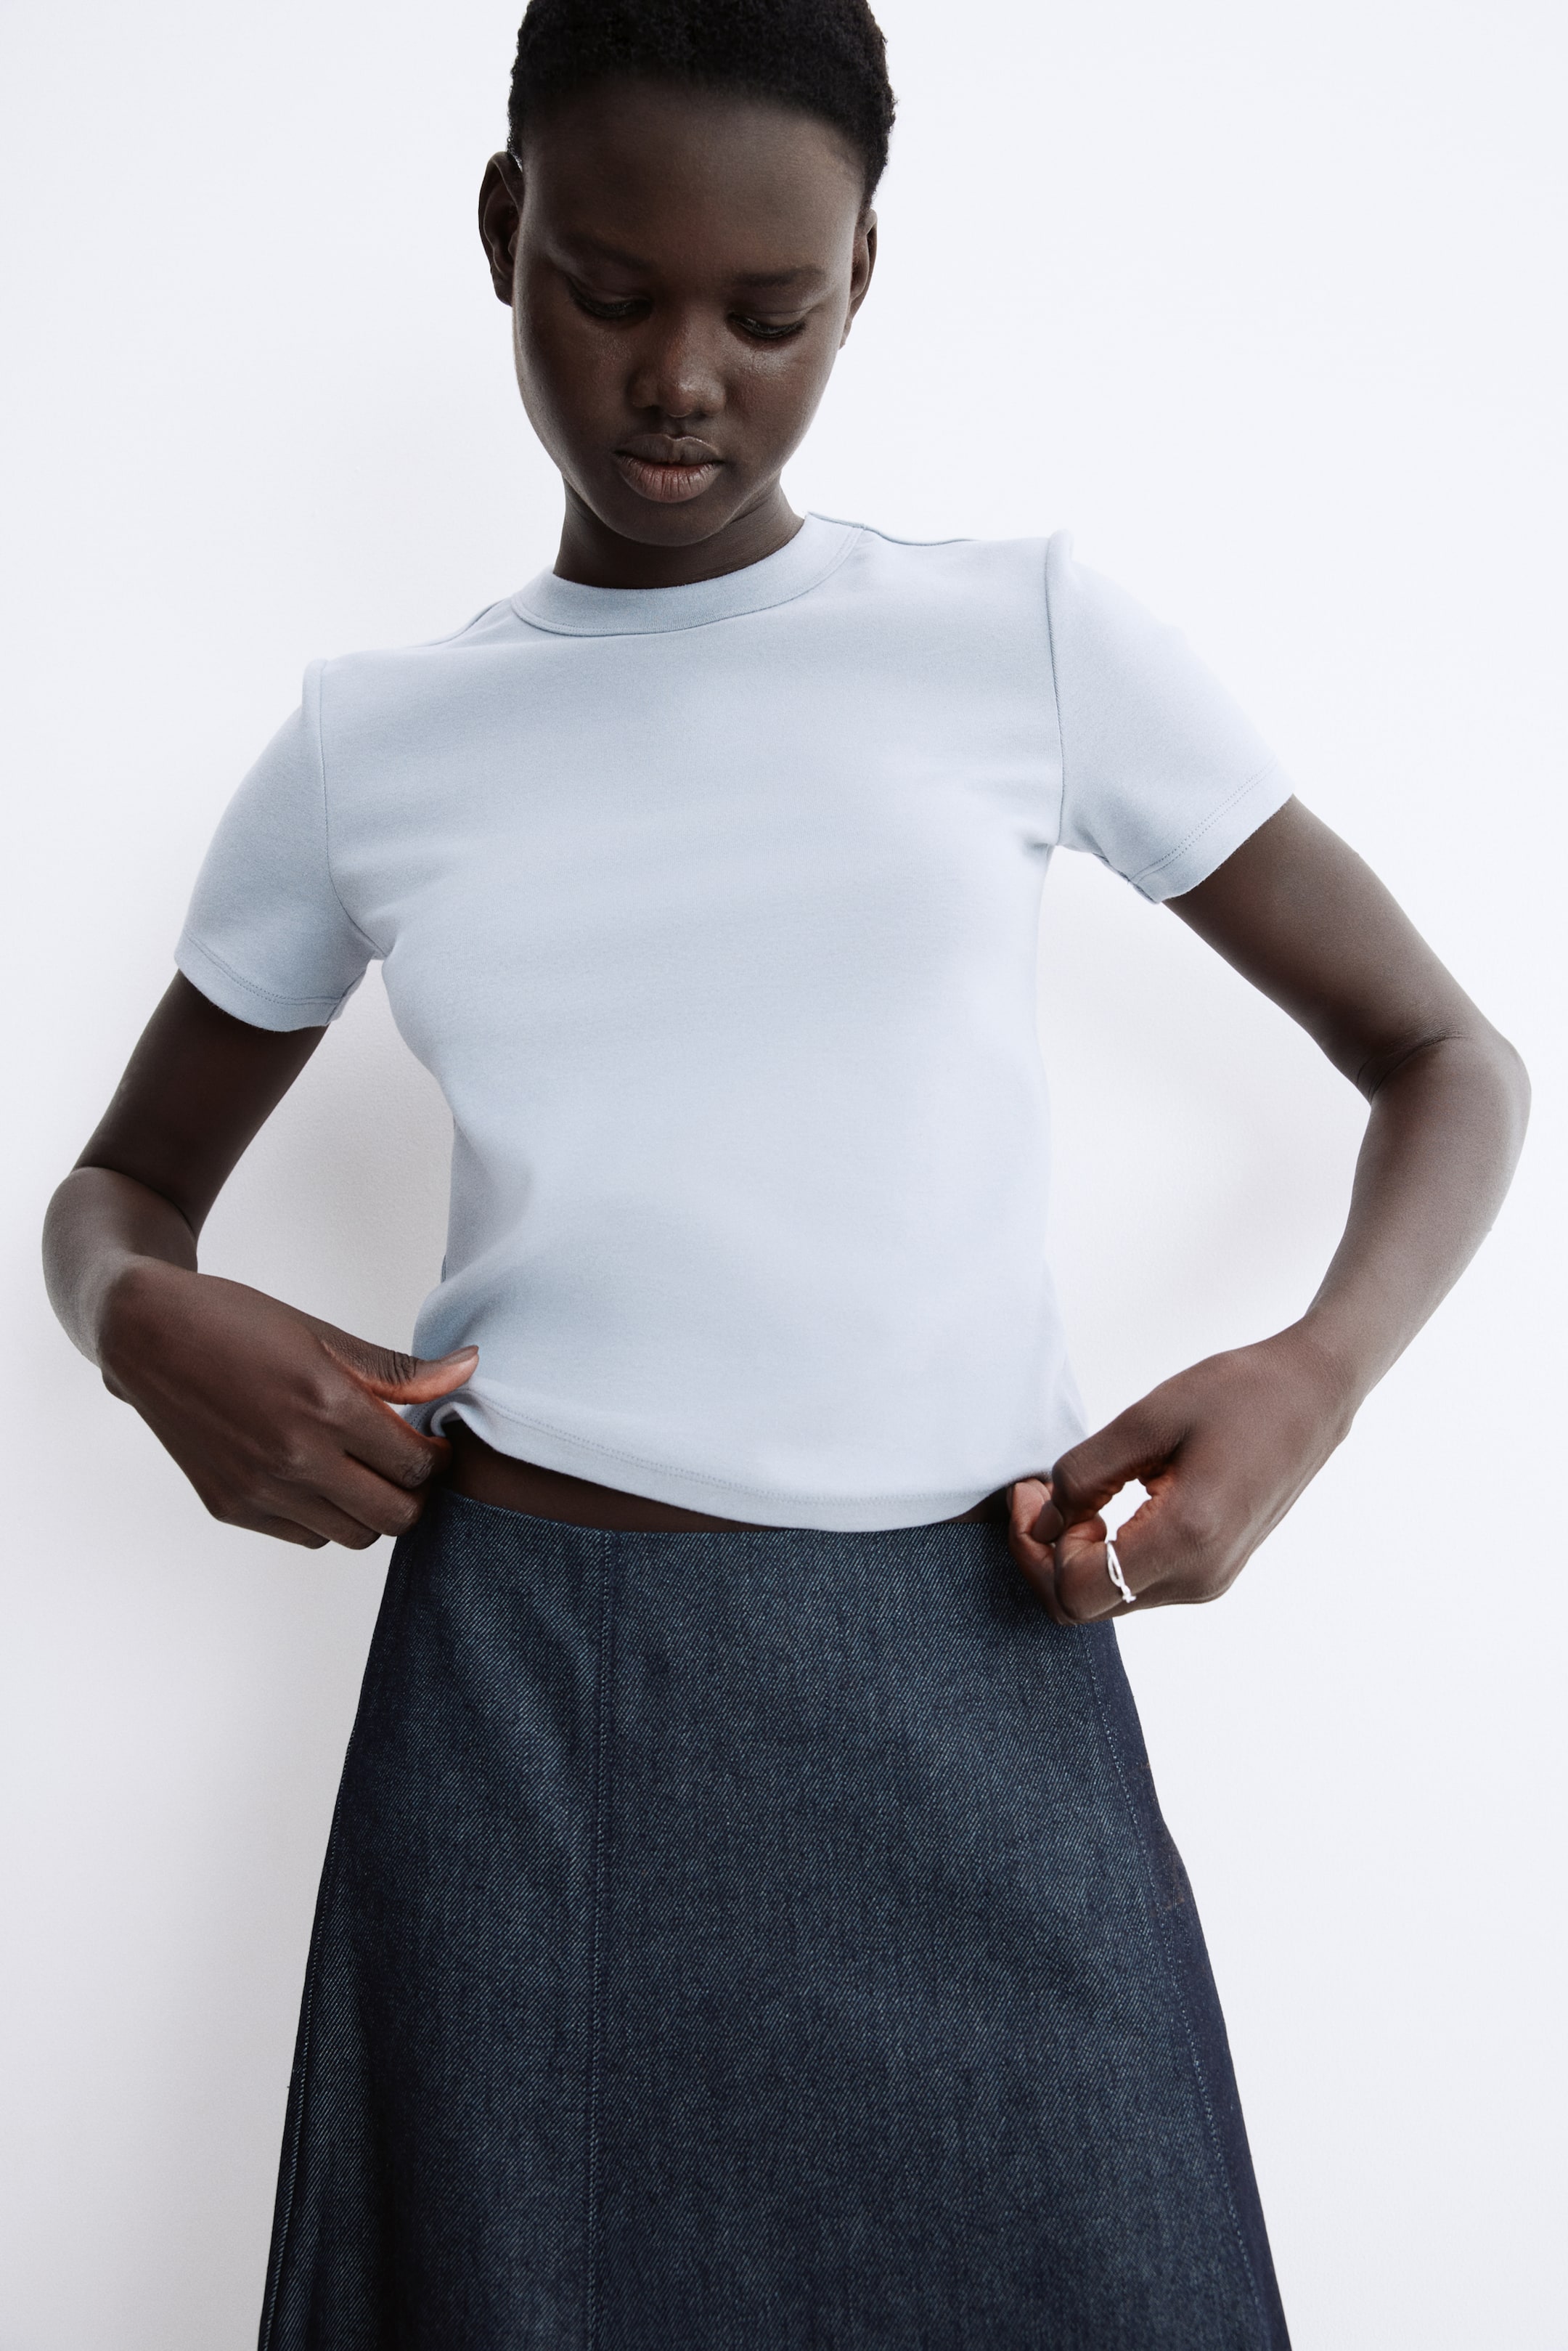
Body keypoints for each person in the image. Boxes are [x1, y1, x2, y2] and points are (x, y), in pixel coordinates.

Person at [41, 1, 1528, 2343]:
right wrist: (140, 1320)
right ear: (504, 229)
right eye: (607, 289)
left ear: (865, 277)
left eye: (772, 313)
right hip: (526, 1720)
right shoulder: (370, 749)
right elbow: (117, 1190)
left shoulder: (1023, 641)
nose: (680, 382)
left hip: (976, 1675)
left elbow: (1447, 1056)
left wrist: (1315, 1376)